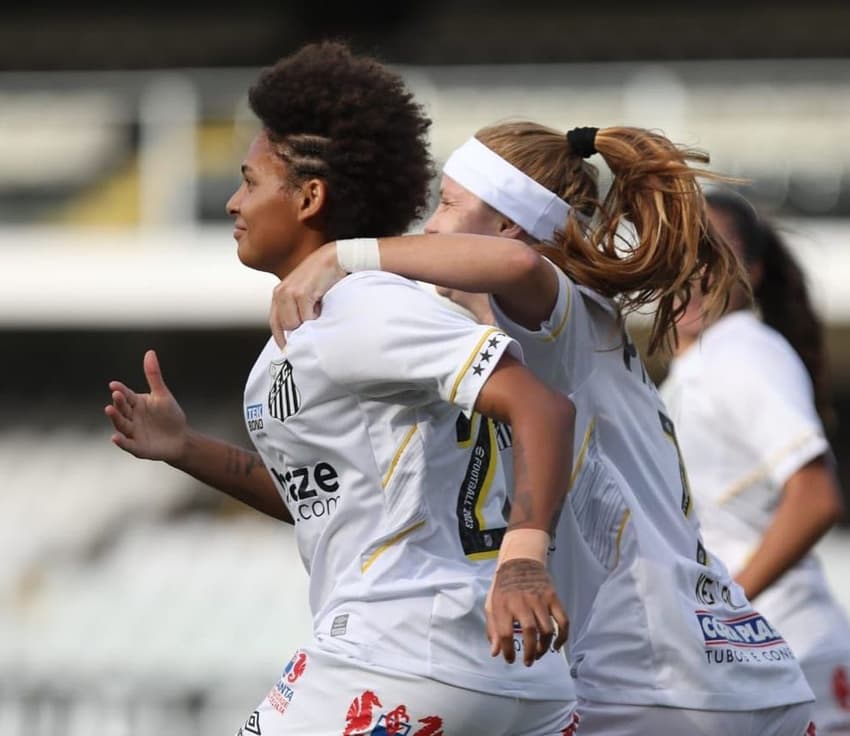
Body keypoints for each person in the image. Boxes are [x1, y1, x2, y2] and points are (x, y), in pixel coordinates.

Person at [269, 123, 818, 734]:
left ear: (508, 223)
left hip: (653, 680)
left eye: (449, 204)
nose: (430, 226)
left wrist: (343, 253)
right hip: (747, 670)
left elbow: (519, 263)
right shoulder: (581, 329)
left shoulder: (557, 315)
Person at [104, 44, 583, 736]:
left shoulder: (369, 305)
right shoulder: (317, 329)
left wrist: (524, 561)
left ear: (309, 197)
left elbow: (542, 407)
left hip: (402, 650)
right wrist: (184, 448)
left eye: (249, 180)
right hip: (511, 673)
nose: (235, 201)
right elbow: (324, 499)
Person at [660, 188, 850, 733]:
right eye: (679, 250)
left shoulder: (739, 350)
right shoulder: (694, 368)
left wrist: (722, 613)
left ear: (753, 272)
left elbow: (816, 497)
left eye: (716, 256)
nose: (695, 272)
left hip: (782, 651)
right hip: (758, 657)